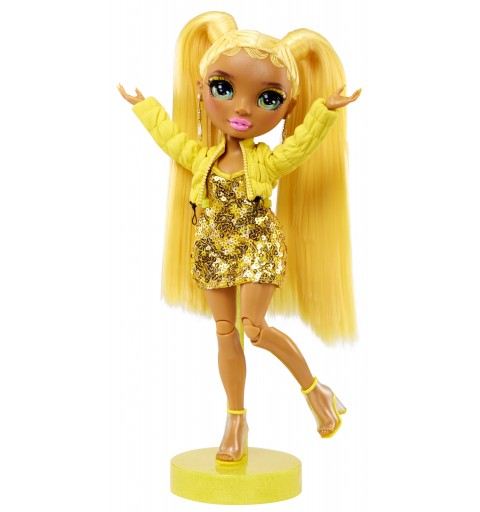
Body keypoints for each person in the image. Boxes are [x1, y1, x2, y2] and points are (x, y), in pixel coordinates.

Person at [118, 11, 360, 464]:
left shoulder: (265, 162)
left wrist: (325, 112)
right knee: (225, 332)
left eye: (268, 98)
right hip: (213, 252)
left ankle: (315, 391)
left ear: (287, 107)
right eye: (223, 89)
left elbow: (299, 146)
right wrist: (143, 106)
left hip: (257, 248)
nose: (243, 109)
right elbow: (170, 139)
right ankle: (235, 420)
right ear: (200, 89)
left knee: (255, 328)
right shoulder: (202, 158)